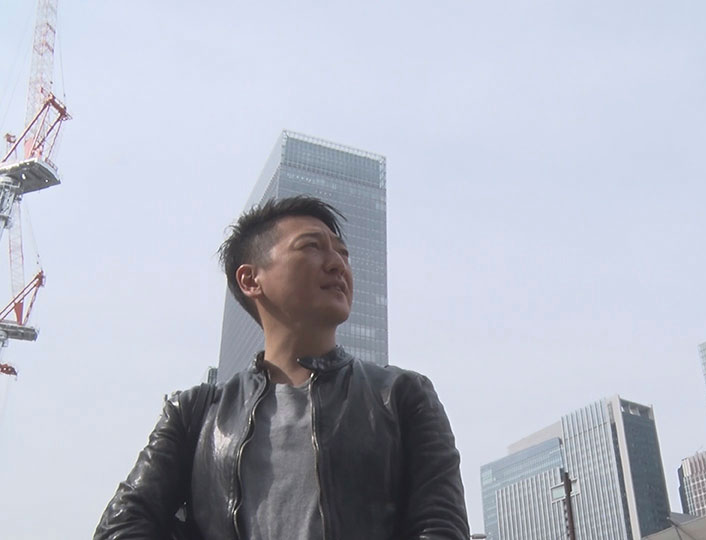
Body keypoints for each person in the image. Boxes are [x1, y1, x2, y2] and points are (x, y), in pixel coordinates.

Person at [95, 196, 469, 539]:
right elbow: (121, 527)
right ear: (250, 279)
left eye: (343, 253)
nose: (338, 264)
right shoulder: (195, 414)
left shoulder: (400, 396)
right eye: (311, 246)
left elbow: (441, 527)